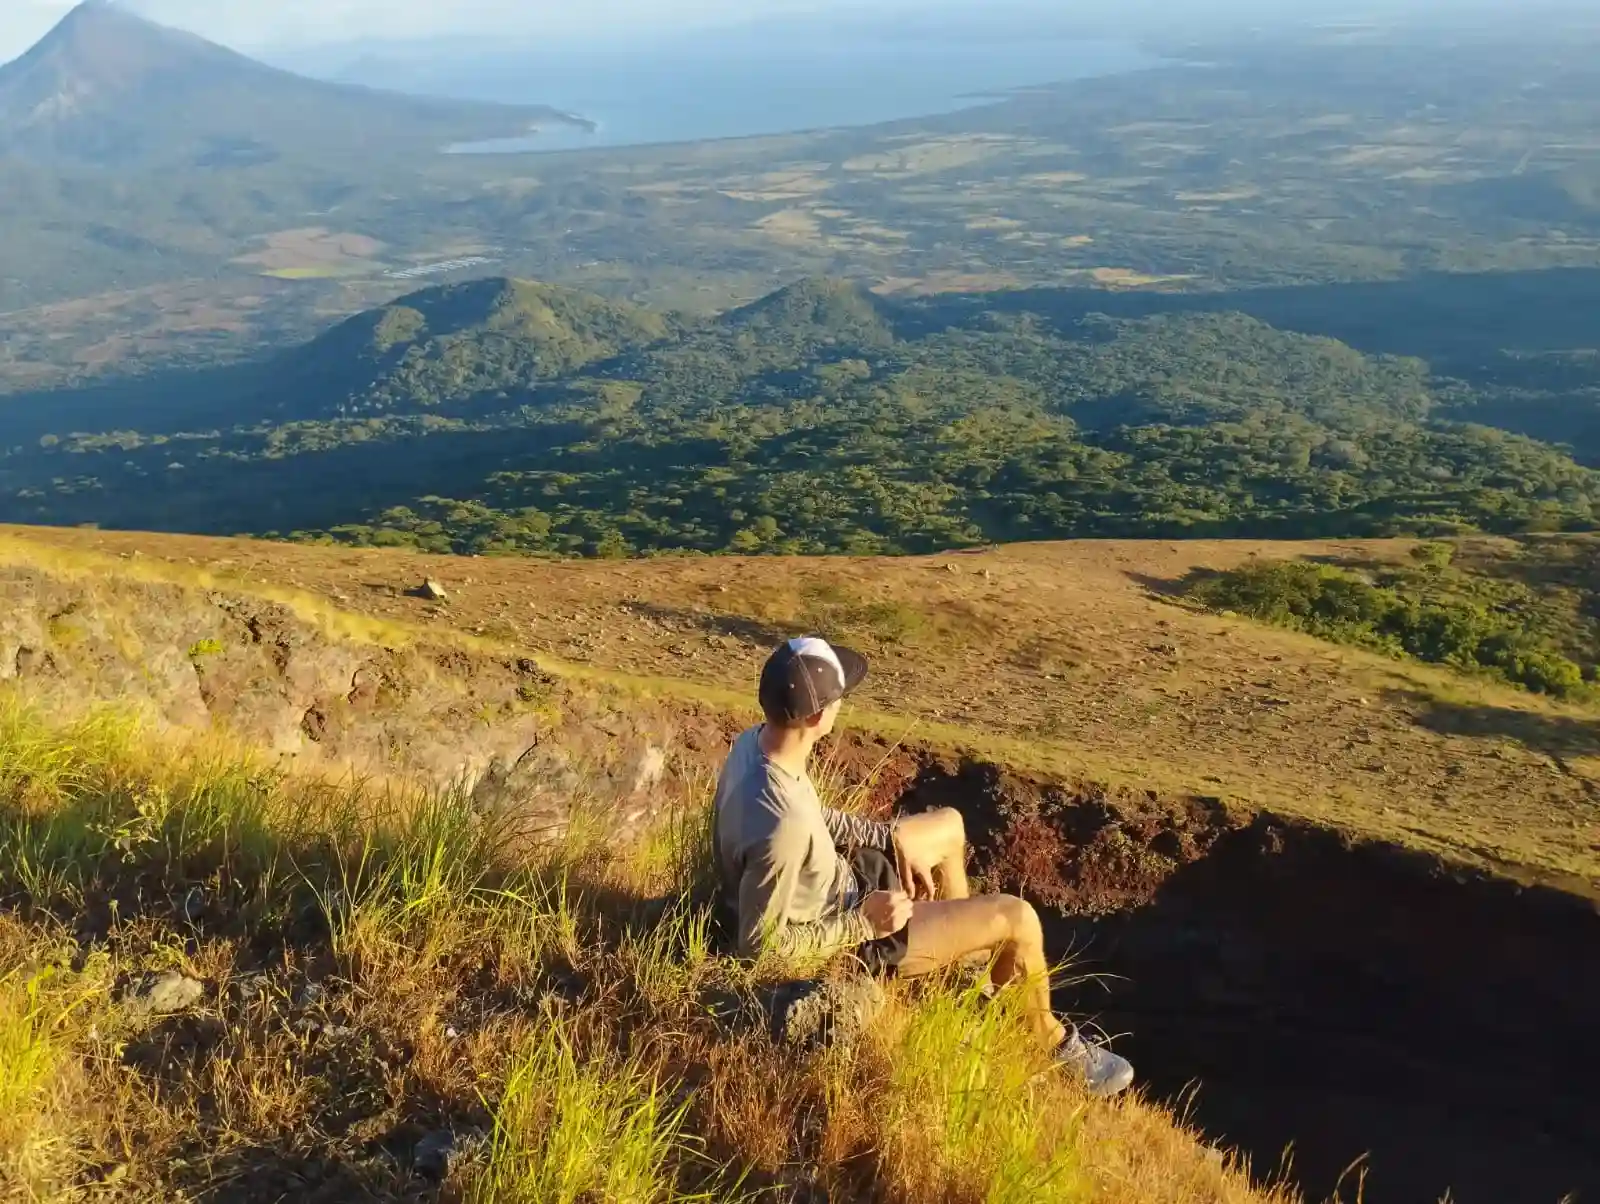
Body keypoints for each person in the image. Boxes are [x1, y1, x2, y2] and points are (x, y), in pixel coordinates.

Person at [712, 636, 1135, 1097]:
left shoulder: (756, 745)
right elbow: (759, 949)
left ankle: (966, 980)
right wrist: (862, 923)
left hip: (844, 878)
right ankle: (1053, 1045)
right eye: (839, 699)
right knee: (1018, 919)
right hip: (855, 935)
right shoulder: (782, 826)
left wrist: (885, 837)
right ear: (816, 717)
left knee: (949, 826)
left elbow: (813, 817)